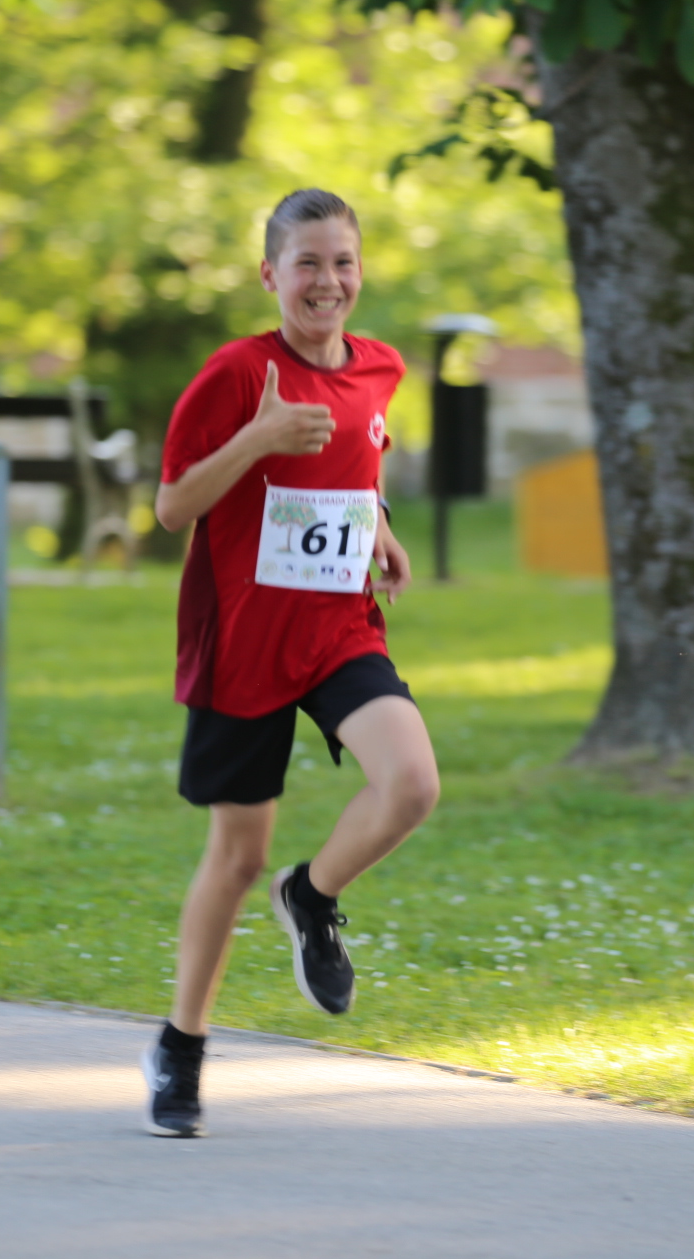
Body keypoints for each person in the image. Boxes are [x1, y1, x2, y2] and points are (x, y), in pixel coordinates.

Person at [140, 189, 441, 1138]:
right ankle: (181, 1047)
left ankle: (312, 897)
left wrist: (379, 521)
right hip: (245, 642)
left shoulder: (382, 366)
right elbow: (173, 508)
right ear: (270, 273)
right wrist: (259, 438)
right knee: (237, 857)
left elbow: (359, 455)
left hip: (340, 629)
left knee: (412, 784)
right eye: (307, 263)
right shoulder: (236, 375)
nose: (327, 281)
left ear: (360, 271)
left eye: (342, 262)